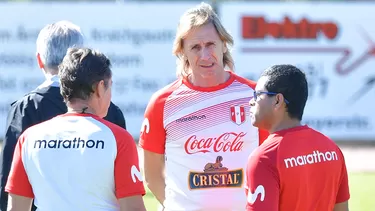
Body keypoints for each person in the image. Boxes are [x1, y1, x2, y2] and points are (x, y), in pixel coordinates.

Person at [139, 2, 268, 210]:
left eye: (211, 45)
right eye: (195, 47)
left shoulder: (254, 96)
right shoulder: (162, 103)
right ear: (182, 51)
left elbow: (272, 166)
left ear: (223, 44)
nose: (205, 55)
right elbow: (152, 175)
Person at [0, 21, 126, 211]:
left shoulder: (26, 108)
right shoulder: (108, 109)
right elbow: (124, 187)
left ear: (39, 60)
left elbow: (10, 182)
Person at [246, 64, 350, 211]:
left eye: (257, 95)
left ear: (277, 100)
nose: (251, 101)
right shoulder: (331, 149)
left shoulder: (265, 158)